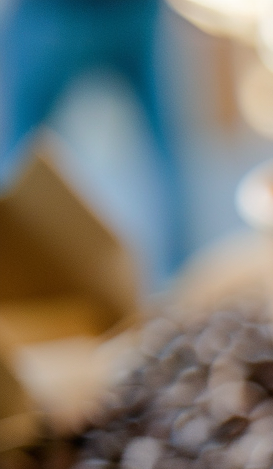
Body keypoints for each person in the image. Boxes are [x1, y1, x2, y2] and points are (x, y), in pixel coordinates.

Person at [0, 0, 186, 270]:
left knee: (17, 155)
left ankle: (10, 272)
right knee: (166, 146)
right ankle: (181, 268)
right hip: (128, 12)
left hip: (54, 15)